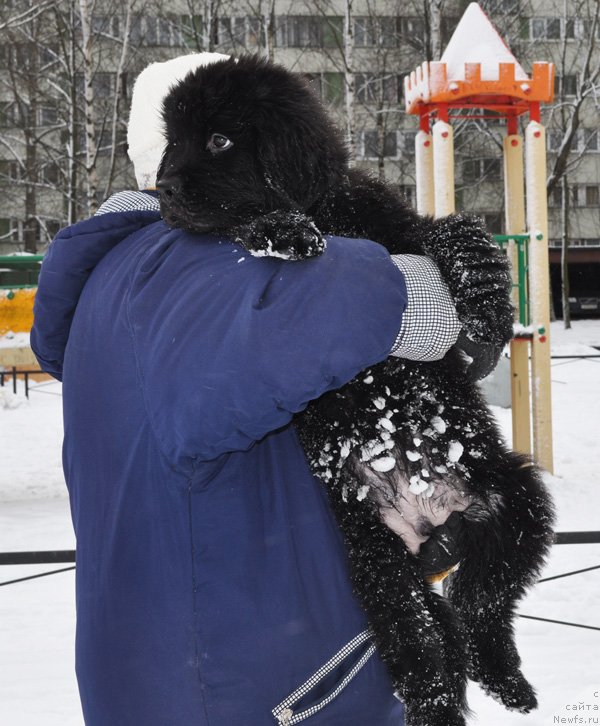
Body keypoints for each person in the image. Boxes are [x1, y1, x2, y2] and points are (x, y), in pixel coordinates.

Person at [31, 54, 481, 726]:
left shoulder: (109, 274)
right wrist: (446, 278)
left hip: (151, 664)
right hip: (264, 680)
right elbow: (404, 311)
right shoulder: (209, 269)